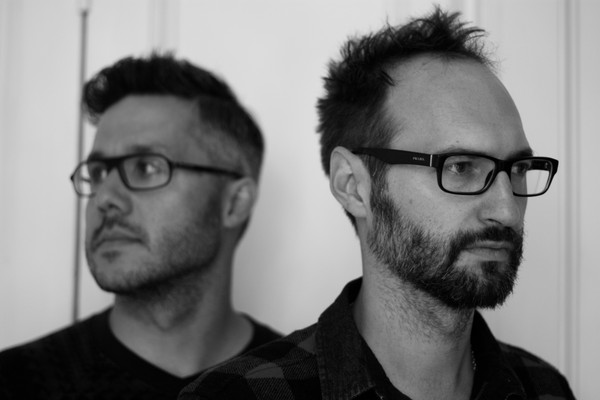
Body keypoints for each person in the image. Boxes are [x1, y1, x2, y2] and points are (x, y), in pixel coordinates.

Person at [179, 8, 576, 400]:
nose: (507, 210)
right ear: (353, 186)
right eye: (460, 167)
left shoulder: (545, 389)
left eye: (518, 169)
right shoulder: (240, 395)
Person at [0, 53, 280, 399]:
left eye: (146, 167)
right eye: (99, 173)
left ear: (234, 203)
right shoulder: (16, 383)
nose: (105, 197)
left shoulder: (309, 385)